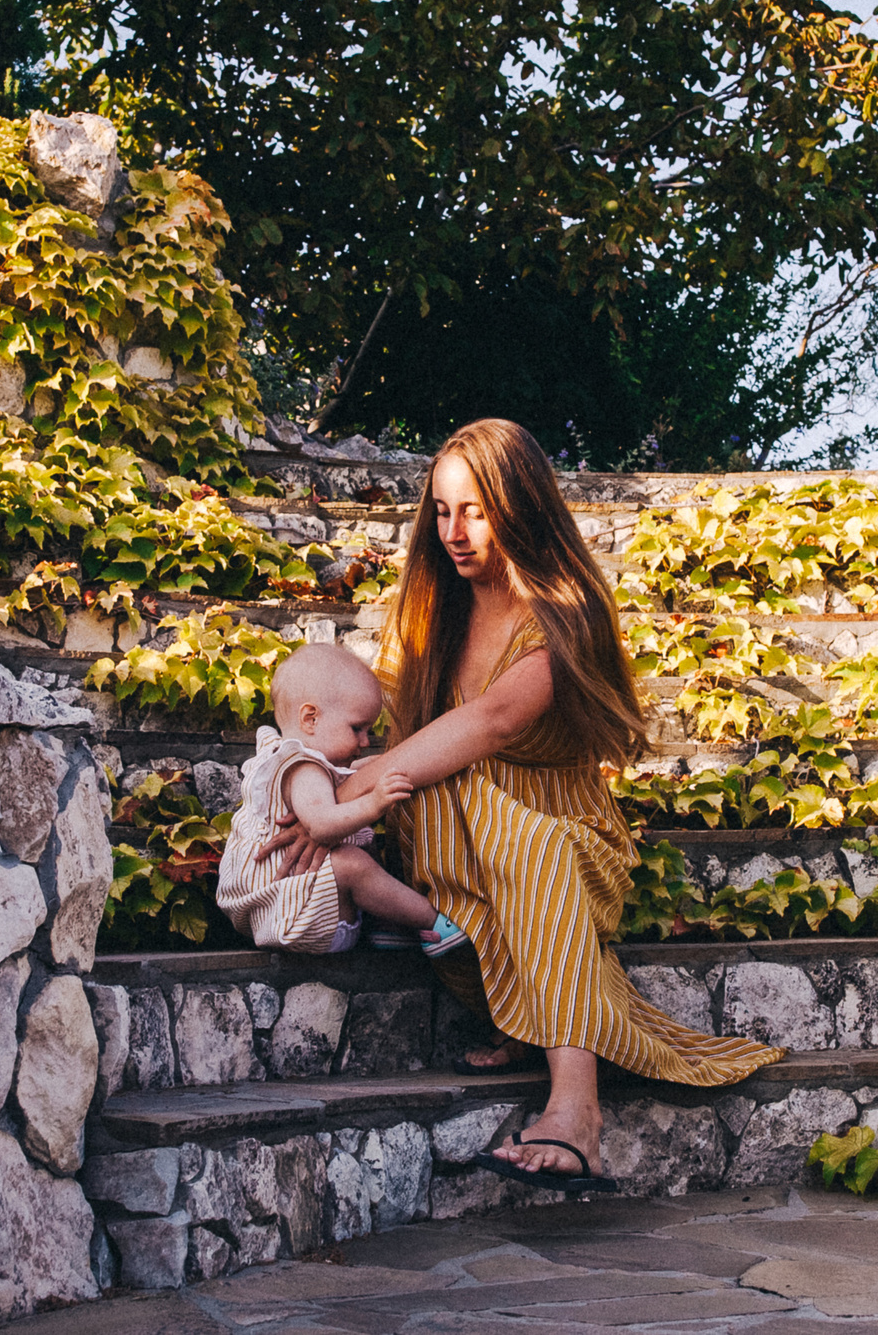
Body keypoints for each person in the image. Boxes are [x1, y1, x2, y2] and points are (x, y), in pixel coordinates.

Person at [276, 418, 783, 1192]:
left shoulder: (563, 611)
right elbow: (405, 741)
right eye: (441, 511)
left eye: (475, 510)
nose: (453, 532)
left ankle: (576, 1108)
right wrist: (323, 803)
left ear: (521, 504)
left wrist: (347, 793)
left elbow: (491, 722)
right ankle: (521, 1017)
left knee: (517, 830)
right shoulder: (433, 611)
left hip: (566, 840)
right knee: (451, 794)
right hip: (454, 856)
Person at [216, 643, 466, 956]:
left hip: (300, 907)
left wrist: (395, 763)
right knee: (352, 863)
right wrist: (373, 803)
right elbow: (320, 826)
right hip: (297, 916)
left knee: (363, 846)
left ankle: (387, 925)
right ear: (311, 719)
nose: (365, 741)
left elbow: (361, 772)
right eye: (357, 728)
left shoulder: (309, 762)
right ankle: (434, 924)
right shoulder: (302, 768)